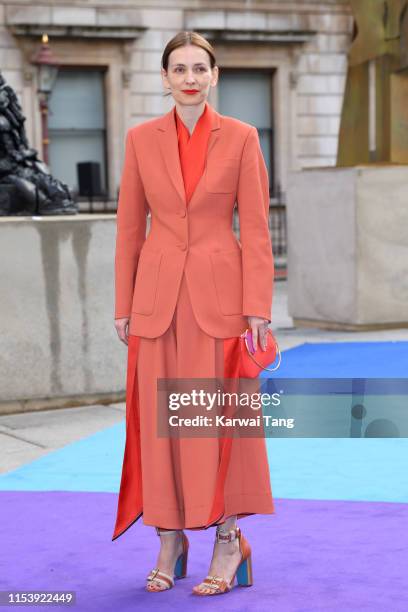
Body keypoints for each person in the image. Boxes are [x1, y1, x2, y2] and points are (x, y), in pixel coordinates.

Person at [112, 30, 275, 596]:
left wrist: (258, 307)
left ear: (214, 75)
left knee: (216, 424)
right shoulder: (138, 140)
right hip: (156, 304)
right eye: (177, 68)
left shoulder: (242, 138)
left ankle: (229, 541)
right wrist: (122, 304)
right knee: (163, 428)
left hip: (221, 303)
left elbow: (255, 228)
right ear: (164, 78)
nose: (188, 77)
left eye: (198, 68)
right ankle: (169, 537)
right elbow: (130, 228)